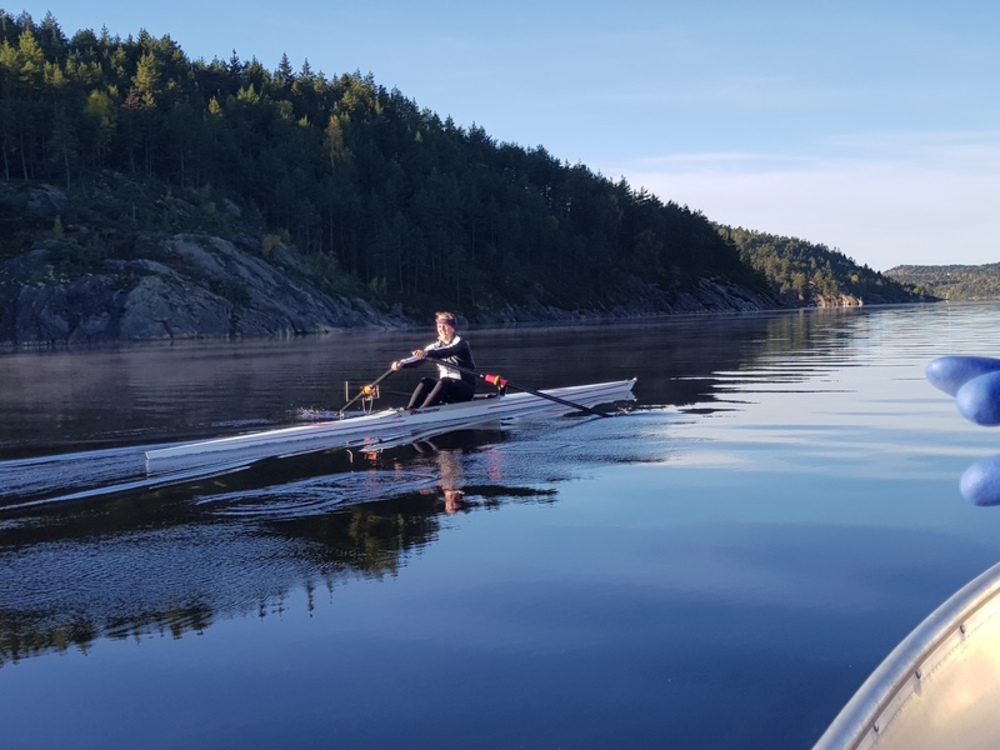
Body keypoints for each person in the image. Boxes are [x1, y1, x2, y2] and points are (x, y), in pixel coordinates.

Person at [392, 312, 476, 410]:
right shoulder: (434, 347)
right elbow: (417, 360)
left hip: (465, 390)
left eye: (445, 326)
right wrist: (401, 364)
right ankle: (411, 409)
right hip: (447, 389)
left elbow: (448, 351)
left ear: (453, 328)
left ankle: (423, 410)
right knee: (426, 381)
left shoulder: (460, 343)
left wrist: (427, 353)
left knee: (444, 382)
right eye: (439, 326)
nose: (442, 329)